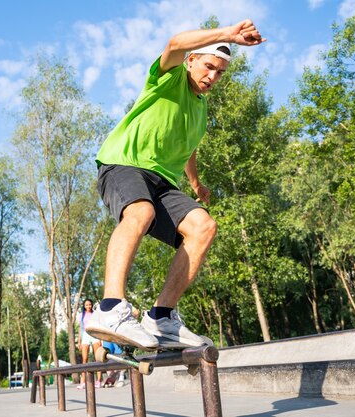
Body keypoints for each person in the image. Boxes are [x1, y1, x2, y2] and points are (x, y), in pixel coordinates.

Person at [86, 20, 266, 349]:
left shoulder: (200, 109)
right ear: (192, 60)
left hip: (164, 183)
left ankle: (161, 317)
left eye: (220, 72)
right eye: (209, 66)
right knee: (140, 212)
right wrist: (227, 35)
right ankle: (110, 308)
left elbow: (188, 148)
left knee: (203, 227)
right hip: (124, 164)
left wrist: (196, 184)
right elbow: (174, 42)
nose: (212, 77)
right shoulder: (168, 78)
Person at [76, 298, 103, 389]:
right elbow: (80, 329)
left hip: (95, 335)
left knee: (97, 358)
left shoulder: (95, 314)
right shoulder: (81, 315)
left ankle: (98, 381)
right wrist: (79, 341)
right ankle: (83, 382)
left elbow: (98, 326)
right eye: (86, 305)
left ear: (92, 305)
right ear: (84, 306)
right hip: (86, 336)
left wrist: (100, 339)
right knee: (85, 359)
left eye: (90, 304)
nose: (88, 306)